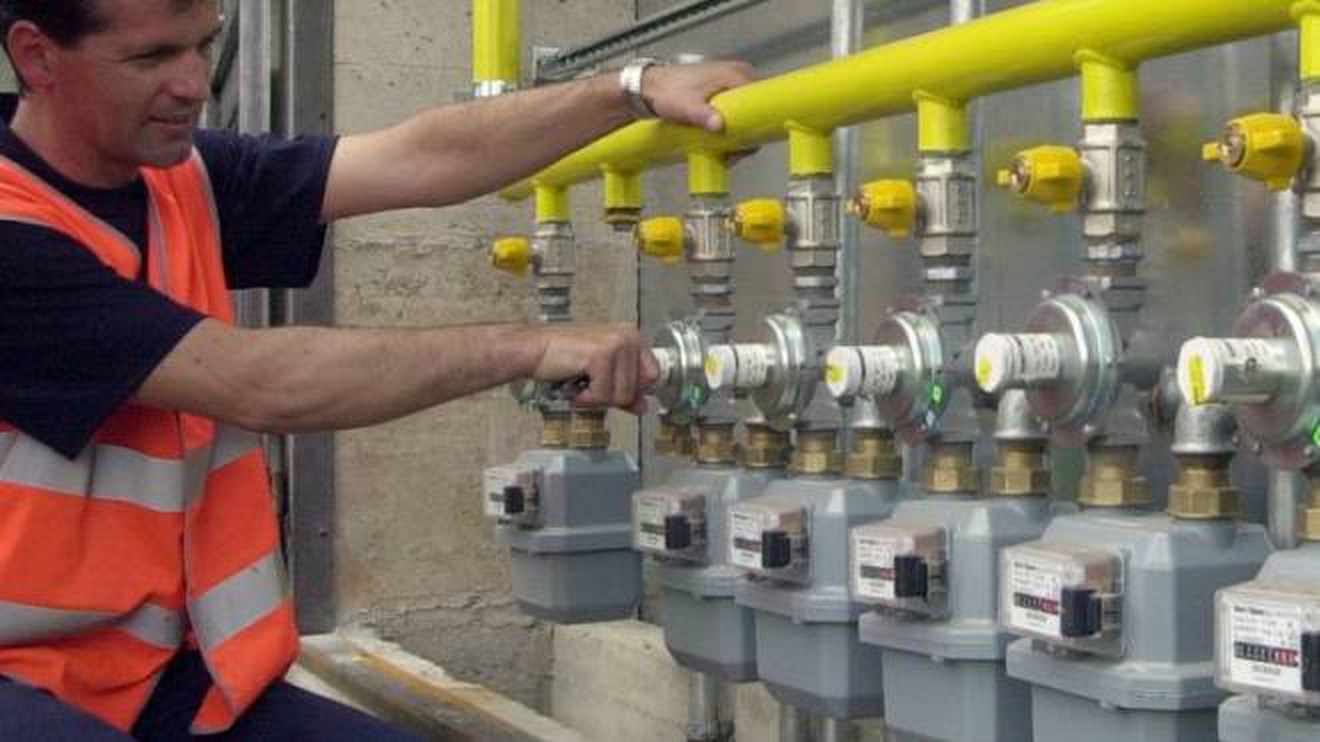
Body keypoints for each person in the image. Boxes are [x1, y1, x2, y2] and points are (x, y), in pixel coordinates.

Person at [0, 0, 754, 739]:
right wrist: (530, 347)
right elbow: (255, 383)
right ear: (37, 56)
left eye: (204, 44)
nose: (193, 83)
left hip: (155, 677)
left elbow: (417, 158)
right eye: (152, 57)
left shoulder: (178, 176)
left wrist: (632, 89)